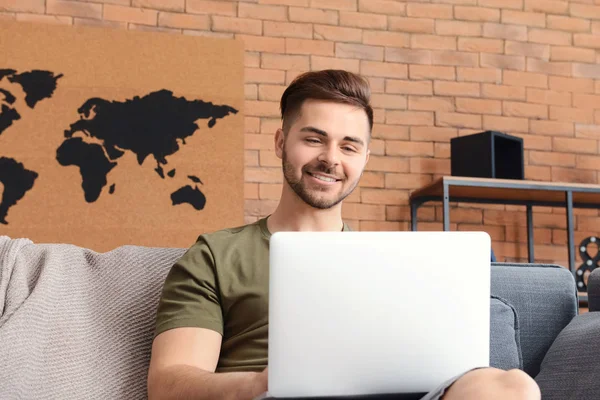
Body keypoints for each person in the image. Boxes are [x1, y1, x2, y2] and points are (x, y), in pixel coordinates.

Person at [147, 69, 541, 400]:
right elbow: (167, 383)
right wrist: (261, 383)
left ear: (364, 159)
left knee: (513, 387)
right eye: (314, 139)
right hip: (271, 396)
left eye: (349, 146)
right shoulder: (216, 255)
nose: (331, 159)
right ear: (281, 142)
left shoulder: (395, 262)